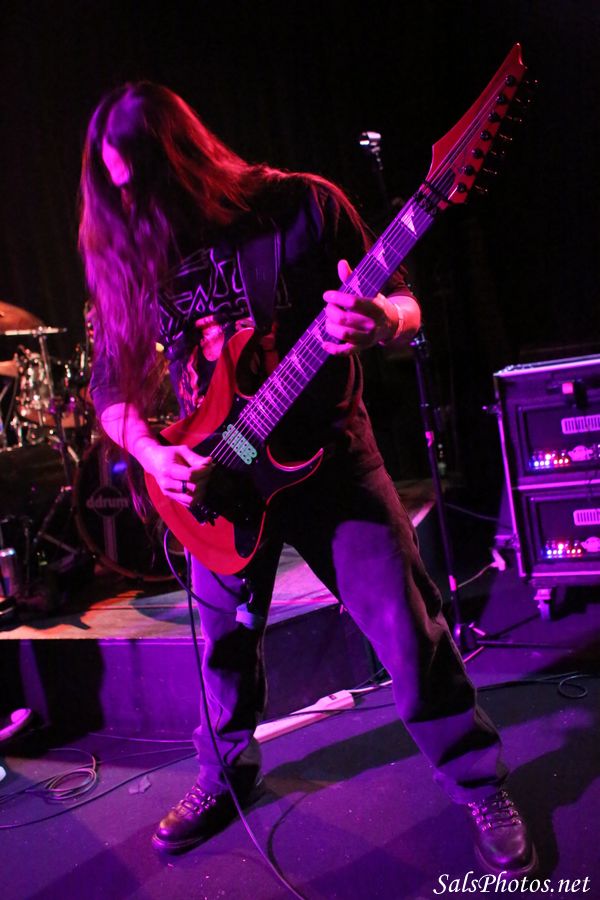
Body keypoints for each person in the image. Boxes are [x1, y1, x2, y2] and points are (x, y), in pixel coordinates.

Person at [79, 82, 536, 875]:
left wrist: (380, 321)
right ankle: (224, 773)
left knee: (409, 632)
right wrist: (154, 456)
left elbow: (405, 306)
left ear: (183, 161)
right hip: (219, 480)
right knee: (222, 651)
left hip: (330, 460)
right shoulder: (136, 260)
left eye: (143, 185)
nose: (134, 208)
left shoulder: (300, 206)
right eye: (119, 192)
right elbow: (111, 395)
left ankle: (478, 782)